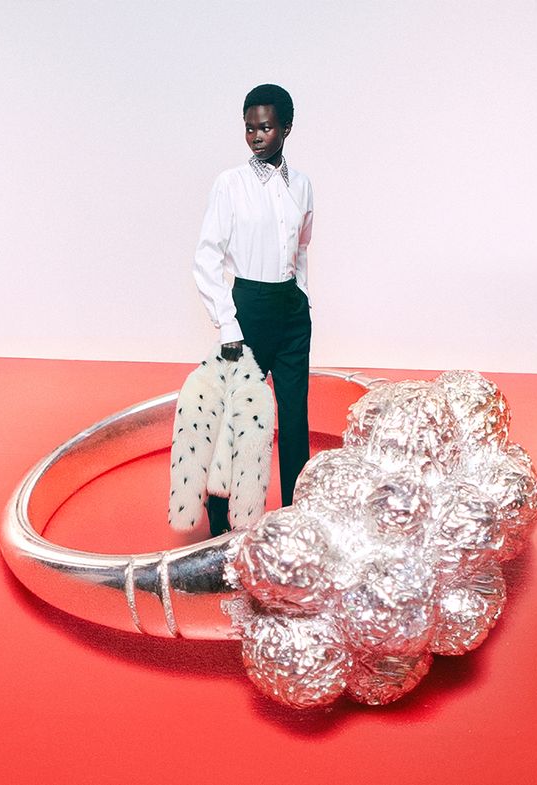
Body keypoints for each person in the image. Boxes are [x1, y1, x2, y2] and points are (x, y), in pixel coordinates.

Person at [192, 83, 313, 529]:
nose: (257, 136)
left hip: (291, 311)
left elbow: (301, 249)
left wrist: (300, 296)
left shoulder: (302, 185)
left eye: (265, 127)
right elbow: (206, 258)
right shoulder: (230, 184)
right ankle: (220, 514)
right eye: (249, 128)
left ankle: (298, 518)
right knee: (237, 416)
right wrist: (228, 325)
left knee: (295, 416)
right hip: (248, 308)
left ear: (286, 128)